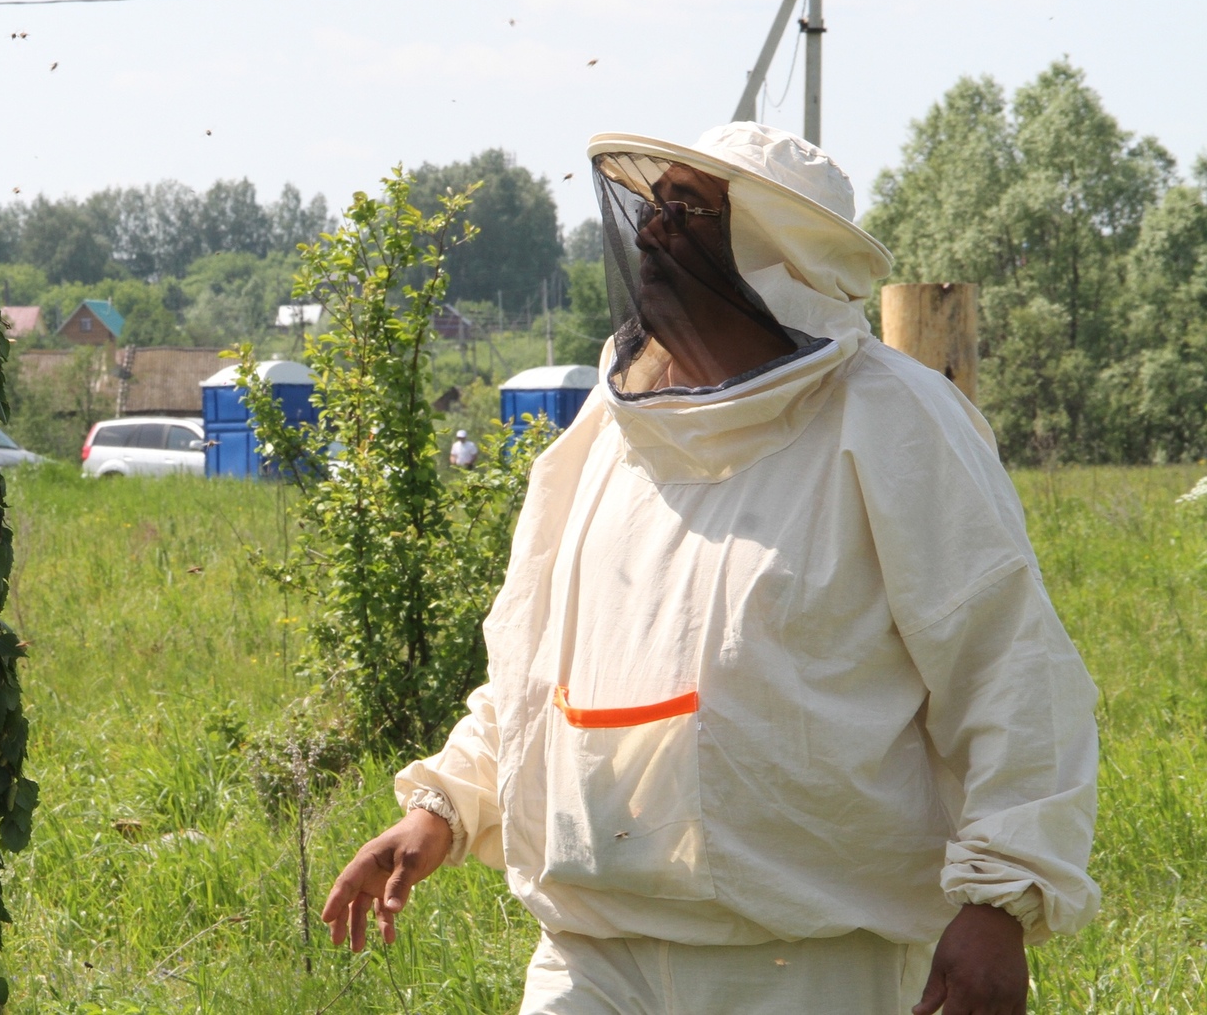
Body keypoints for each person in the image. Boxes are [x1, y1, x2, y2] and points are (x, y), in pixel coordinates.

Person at [322, 123, 1098, 1015]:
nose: (653, 233)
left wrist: (1002, 899)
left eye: (689, 211)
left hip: (806, 959)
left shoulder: (894, 422)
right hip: (590, 948)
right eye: (655, 207)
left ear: (778, 251)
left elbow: (1006, 667)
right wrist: (445, 806)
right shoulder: (605, 435)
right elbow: (537, 664)